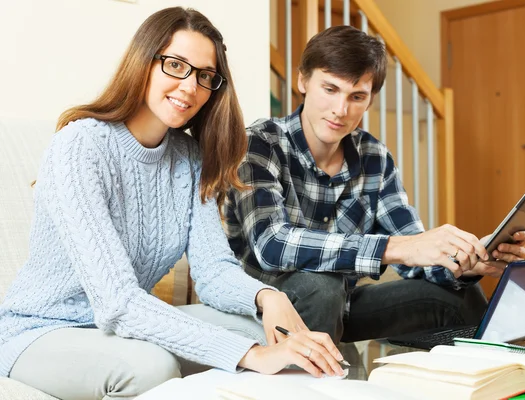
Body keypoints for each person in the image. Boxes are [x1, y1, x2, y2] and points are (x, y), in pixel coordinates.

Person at [0, 7, 346, 400]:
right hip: (41, 332)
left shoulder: (188, 157)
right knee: (154, 366)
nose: (189, 87)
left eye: (204, 76)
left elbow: (213, 271)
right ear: (144, 62)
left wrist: (268, 298)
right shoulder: (80, 146)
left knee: (257, 331)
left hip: (117, 330)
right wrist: (249, 355)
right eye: (175, 65)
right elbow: (119, 301)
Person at [224, 25, 525, 344]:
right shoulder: (259, 143)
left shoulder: (374, 157)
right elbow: (272, 244)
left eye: (357, 97)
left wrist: (467, 263)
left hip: (340, 305)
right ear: (303, 80)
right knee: (322, 287)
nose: (341, 110)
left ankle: (497, 380)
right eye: (330, 89)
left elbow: (415, 251)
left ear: (369, 101)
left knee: (457, 296)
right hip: (262, 306)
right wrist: (396, 249)